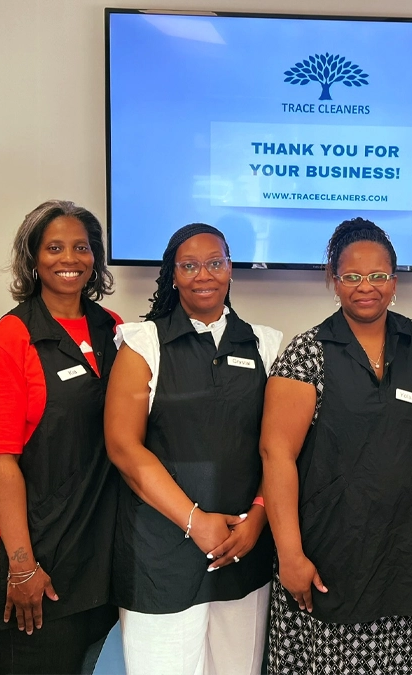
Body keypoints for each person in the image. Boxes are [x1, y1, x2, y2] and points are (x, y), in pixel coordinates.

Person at [261, 218, 412, 674]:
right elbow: (276, 455)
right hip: (328, 558)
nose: (368, 287)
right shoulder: (308, 353)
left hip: (406, 559)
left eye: (379, 275)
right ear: (333, 280)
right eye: (353, 276)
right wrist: (290, 555)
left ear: (395, 281)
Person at [105, 223, 281, 675]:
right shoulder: (142, 342)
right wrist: (194, 521)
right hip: (161, 554)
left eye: (215, 262)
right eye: (189, 265)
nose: (204, 274)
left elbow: (276, 448)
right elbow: (124, 448)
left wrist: (258, 519)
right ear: (173, 274)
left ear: (230, 269)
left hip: (242, 549)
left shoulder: (265, 343)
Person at [0, 200, 120, 673]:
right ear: (32, 259)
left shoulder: (111, 327)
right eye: (54, 248)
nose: (69, 258)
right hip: (23, 558)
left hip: (88, 553)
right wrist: (23, 565)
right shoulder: (12, 337)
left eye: (81, 247)